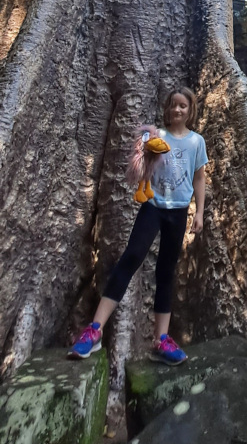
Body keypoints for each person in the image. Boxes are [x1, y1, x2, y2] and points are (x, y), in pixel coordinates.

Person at [68, 87, 208, 365]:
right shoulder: (158, 135)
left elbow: (199, 178)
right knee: (131, 257)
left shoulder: (196, 141)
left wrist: (200, 212)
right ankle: (94, 330)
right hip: (153, 207)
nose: (177, 110)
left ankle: (161, 339)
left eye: (183, 106)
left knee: (166, 271)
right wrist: (142, 149)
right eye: (173, 105)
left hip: (179, 211)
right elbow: (140, 166)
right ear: (167, 108)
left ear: (190, 110)